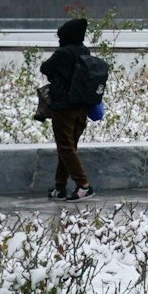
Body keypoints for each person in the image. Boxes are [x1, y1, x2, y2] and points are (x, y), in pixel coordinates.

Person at [40, 16, 98, 200]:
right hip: (82, 106)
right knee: (69, 148)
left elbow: (45, 68)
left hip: (63, 107)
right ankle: (60, 187)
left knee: (65, 148)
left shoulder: (62, 52)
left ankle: (84, 186)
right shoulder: (84, 50)